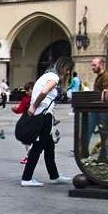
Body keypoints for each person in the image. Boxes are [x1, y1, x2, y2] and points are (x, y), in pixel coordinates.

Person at [20, 56, 74, 187]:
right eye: (67, 69)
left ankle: (54, 176)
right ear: (63, 67)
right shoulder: (54, 78)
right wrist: (33, 106)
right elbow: (44, 92)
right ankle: (26, 178)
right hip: (42, 116)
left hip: (43, 115)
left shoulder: (48, 75)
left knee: (49, 147)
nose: (68, 73)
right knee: (37, 147)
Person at [83, 58, 108, 156]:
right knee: (90, 130)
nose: (92, 67)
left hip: (102, 110)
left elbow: (106, 94)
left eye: (94, 65)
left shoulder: (106, 77)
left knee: (104, 132)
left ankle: (103, 155)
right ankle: (84, 151)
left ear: (101, 65)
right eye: (92, 65)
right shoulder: (99, 76)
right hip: (96, 109)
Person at [11, 82, 34, 164]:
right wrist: (15, 109)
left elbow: (19, 110)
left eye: (29, 90)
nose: (27, 92)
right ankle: (29, 155)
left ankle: (29, 156)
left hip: (28, 120)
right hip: (31, 120)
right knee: (28, 139)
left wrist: (15, 109)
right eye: (26, 91)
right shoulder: (29, 99)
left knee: (27, 139)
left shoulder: (27, 99)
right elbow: (20, 109)